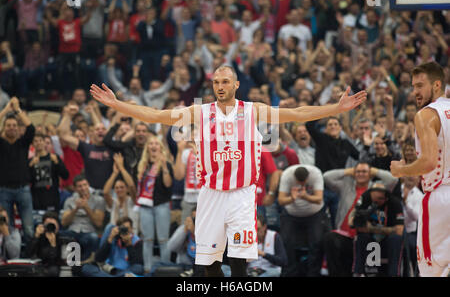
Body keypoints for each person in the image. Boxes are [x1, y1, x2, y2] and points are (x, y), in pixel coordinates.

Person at [90, 65, 367, 277]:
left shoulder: (252, 110)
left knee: (238, 259)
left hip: (241, 195)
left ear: (235, 84)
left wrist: (336, 108)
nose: (220, 86)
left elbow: (298, 113)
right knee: (209, 260)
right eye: (216, 82)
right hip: (210, 194)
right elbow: (156, 115)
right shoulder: (200, 112)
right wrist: (117, 105)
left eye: (225, 82)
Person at [390, 62, 450, 277]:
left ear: (436, 85)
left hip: (440, 198)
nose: (414, 91)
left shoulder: (426, 114)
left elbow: (428, 162)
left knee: (431, 270)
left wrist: (401, 170)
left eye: (420, 86)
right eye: (413, 86)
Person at [323, 162, 399, 277]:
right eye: (358, 172)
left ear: (370, 174)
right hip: (346, 234)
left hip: (367, 234)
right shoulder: (346, 186)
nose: (361, 174)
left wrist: (374, 170)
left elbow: (393, 179)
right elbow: (326, 177)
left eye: (364, 172)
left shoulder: (376, 188)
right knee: (330, 239)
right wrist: (348, 171)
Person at [278, 164, 328, 277]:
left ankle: (313, 273)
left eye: (303, 181)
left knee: (317, 241)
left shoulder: (316, 174)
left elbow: (319, 199)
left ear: (308, 177)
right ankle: (290, 272)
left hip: (314, 213)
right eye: (298, 181)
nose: (301, 184)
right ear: (294, 178)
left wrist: (305, 196)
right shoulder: (287, 175)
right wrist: (292, 198)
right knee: (285, 240)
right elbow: (281, 200)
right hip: (291, 213)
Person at [136, 135, 174, 273]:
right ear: (147, 148)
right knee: (147, 240)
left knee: (163, 240)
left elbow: (168, 185)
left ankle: (165, 269)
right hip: (145, 207)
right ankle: (147, 269)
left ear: (160, 148)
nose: (153, 146)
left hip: (161, 205)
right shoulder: (142, 165)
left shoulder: (167, 164)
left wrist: (164, 166)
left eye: (156, 144)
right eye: (150, 143)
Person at [349, 183, 405, 277]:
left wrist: (372, 229)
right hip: (369, 238)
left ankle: (394, 273)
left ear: (385, 198)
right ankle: (358, 272)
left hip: (387, 240)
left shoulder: (394, 202)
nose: (375, 202)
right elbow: (351, 222)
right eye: (373, 199)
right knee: (360, 237)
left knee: (396, 239)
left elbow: (399, 230)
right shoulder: (365, 197)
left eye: (379, 199)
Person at [0, 97, 35, 243]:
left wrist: (17, 110)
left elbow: (31, 127)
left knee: (28, 227)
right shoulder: (1, 144)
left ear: (18, 128)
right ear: (4, 127)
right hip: (4, 190)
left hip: (23, 189)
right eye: (9, 125)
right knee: (7, 226)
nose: (12, 128)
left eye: (15, 125)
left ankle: (32, 255)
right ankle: (11, 257)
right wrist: (7, 110)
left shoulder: (23, 143)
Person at [57, 104, 114, 194]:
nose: (100, 131)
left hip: (110, 192)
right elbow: (63, 135)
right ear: (92, 134)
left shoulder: (113, 147)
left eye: (103, 129)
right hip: (90, 193)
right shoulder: (86, 147)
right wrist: (68, 114)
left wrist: (92, 112)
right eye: (97, 130)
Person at [60, 175, 105, 261]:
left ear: (88, 185)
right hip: (72, 231)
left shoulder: (99, 200)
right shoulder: (69, 200)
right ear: (75, 188)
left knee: (93, 238)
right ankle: (73, 264)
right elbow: (64, 222)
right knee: (61, 235)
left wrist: (86, 207)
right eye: (80, 186)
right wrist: (76, 209)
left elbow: (98, 223)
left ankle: (86, 263)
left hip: (89, 231)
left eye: (85, 185)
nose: (83, 188)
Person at [29, 133, 69, 220]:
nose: (38, 143)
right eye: (35, 141)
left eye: (40, 140)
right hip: (36, 201)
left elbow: (65, 176)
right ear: (32, 144)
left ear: (44, 143)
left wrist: (57, 163)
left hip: (52, 200)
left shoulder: (54, 158)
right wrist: (31, 166)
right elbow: (26, 180)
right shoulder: (30, 161)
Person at [26, 211, 63, 277]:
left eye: (53, 225)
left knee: (53, 270)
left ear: (58, 226)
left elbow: (54, 261)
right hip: (39, 265)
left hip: (53, 267)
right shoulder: (40, 236)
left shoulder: (60, 239)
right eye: (48, 224)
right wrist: (36, 237)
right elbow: (29, 253)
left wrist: (53, 245)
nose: (50, 227)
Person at [401, 176, 423, 277]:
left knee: (412, 245)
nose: (410, 176)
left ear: (419, 179)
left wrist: (406, 202)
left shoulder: (420, 195)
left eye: (414, 174)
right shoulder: (396, 189)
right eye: (408, 173)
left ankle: (414, 273)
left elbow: (416, 217)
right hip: (394, 229)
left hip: (411, 232)